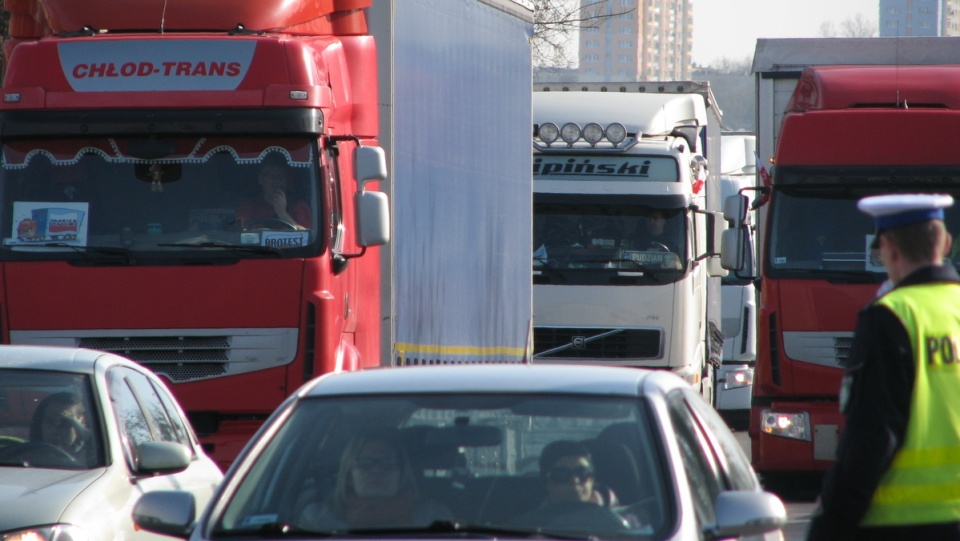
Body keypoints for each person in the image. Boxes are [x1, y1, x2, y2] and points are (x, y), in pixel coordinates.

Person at [806, 193, 960, 541]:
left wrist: (828, 527)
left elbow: (871, 437)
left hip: (900, 525)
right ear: (946, 242)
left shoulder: (890, 317)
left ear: (888, 249)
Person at [298, 431, 453, 530]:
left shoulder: (433, 520)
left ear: (401, 474)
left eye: (387, 462)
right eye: (366, 463)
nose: (377, 470)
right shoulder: (317, 522)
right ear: (349, 475)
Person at [511, 440, 626, 530]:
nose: (575, 481)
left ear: (593, 481)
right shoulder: (524, 528)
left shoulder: (626, 525)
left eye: (583, 473)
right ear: (546, 482)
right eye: (562, 475)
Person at [234, 155, 311, 230]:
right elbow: (236, 234)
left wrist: (283, 214)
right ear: (261, 179)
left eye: (280, 177)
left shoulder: (298, 206)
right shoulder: (248, 207)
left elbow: (306, 235)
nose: (277, 182)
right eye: (273, 177)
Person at [29, 391, 94, 463]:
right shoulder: (27, 456)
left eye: (65, 423)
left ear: (80, 425)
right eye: (50, 421)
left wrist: (88, 438)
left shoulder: (93, 458)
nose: (55, 430)